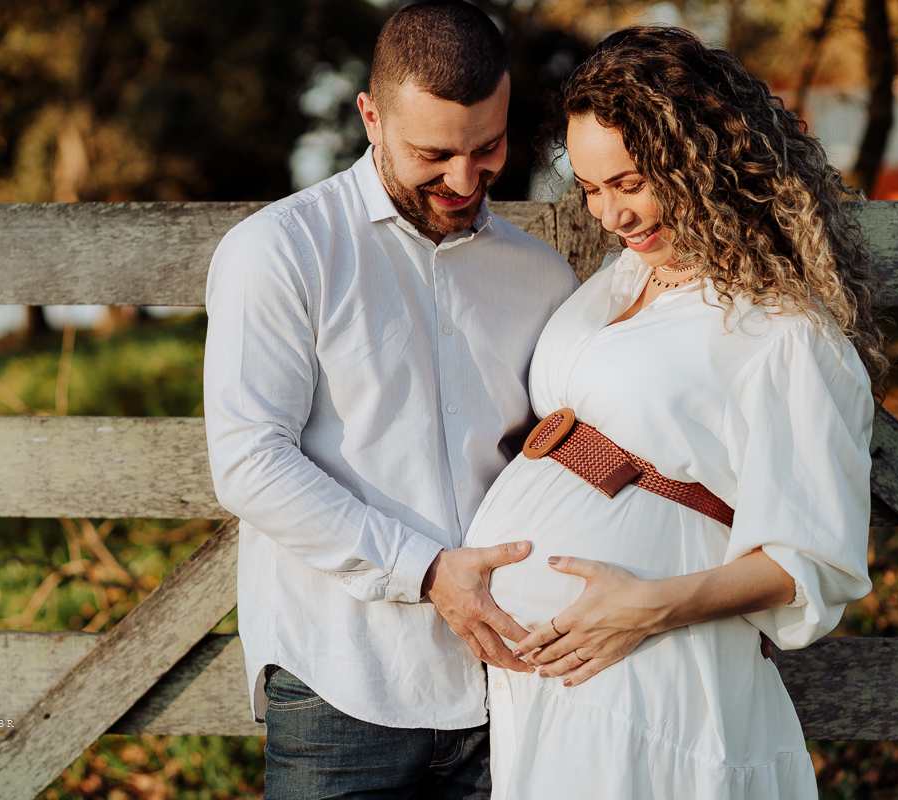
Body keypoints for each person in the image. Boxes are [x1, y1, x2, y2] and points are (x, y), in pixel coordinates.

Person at [464, 26, 885, 799]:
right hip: (554, 688)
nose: (610, 215)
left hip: (653, 672)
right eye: (590, 189)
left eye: (629, 182)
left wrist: (645, 609)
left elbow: (812, 561)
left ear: (705, 160)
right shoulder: (617, 282)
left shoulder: (785, 334)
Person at [203, 2, 580, 797]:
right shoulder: (279, 253)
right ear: (371, 117)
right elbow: (247, 461)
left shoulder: (543, 278)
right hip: (342, 682)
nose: (464, 179)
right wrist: (428, 570)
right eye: (433, 153)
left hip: (510, 692)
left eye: (489, 148)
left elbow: (570, 452)